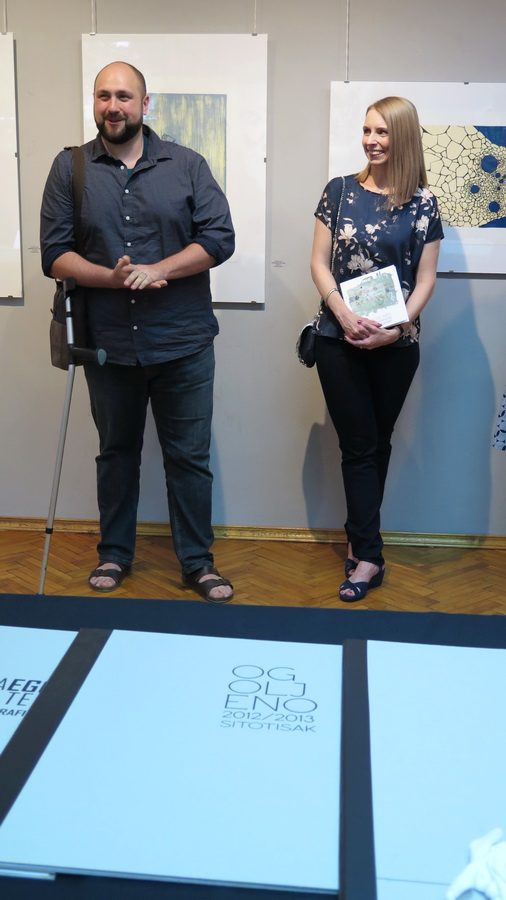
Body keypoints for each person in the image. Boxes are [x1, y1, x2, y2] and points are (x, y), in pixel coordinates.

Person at [40, 61, 235, 602]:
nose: (113, 106)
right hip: (107, 345)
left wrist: (158, 269)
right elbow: (54, 253)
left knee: (188, 459)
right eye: (103, 96)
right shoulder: (69, 168)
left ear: (145, 104)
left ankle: (197, 562)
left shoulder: (187, 164)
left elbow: (219, 238)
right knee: (116, 453)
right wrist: (113, 277)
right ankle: (114, 554)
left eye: (124, 96)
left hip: (183, 342)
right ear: (94, 102)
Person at [310, 96, 443, 602]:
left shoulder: (424, 203)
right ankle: (369, 556)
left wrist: (398, 327)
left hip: (396, 344)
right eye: (367, 130)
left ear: (402, 137)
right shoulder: (339, 191)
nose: (371, 140)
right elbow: (318, 262)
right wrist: (342, 312)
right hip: (337, 339)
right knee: (360, 445)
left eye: (382, 132)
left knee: (376, 443)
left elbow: (426, 280)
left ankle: (358, 539)